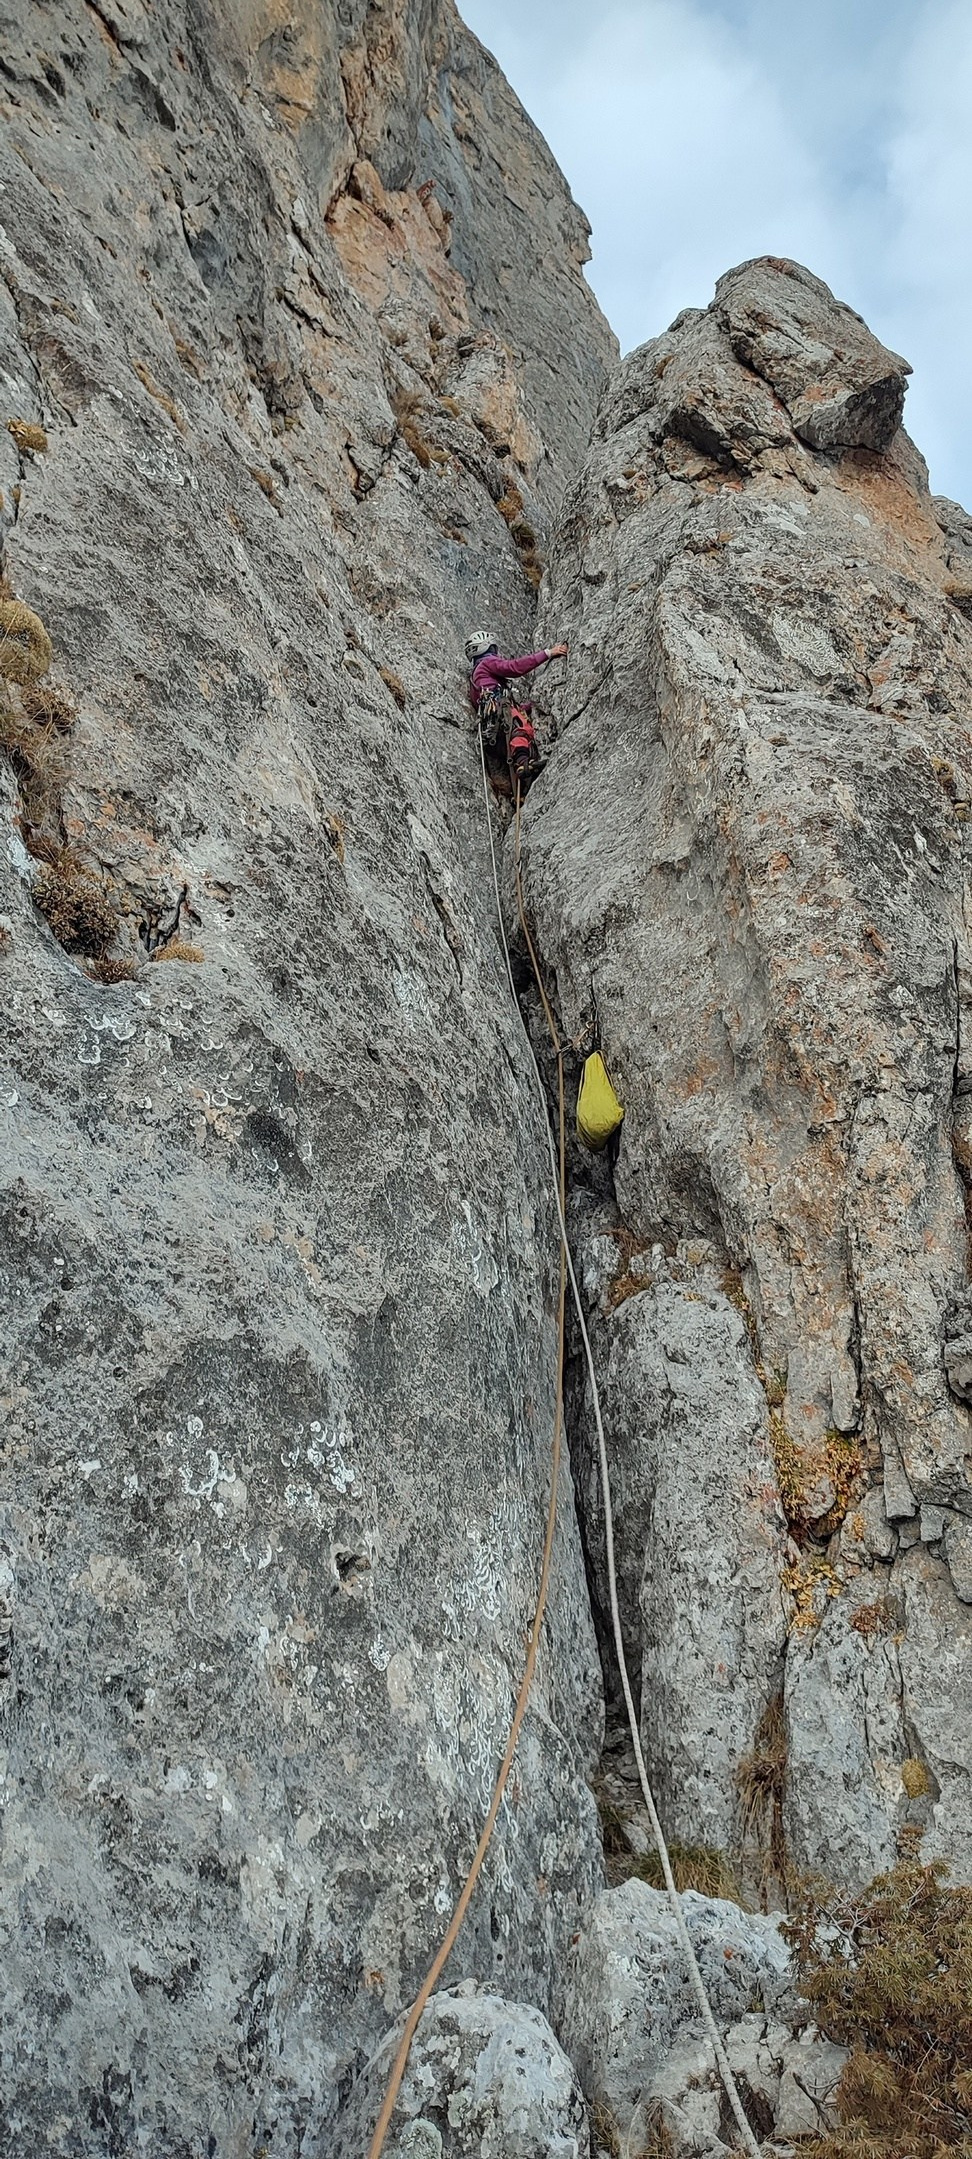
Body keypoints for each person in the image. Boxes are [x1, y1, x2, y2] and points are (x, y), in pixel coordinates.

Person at [464, 632, 568, 782]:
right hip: (502, 715)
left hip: (491, 731)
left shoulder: (475, 680)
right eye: (493, 649)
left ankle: (521, 778)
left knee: (515, 734)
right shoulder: (486, 663)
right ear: (488, 648)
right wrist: (547, 653)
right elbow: (514, 667)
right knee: (520, 728)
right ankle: (523, 764)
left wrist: (532, 705)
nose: (496, 654)